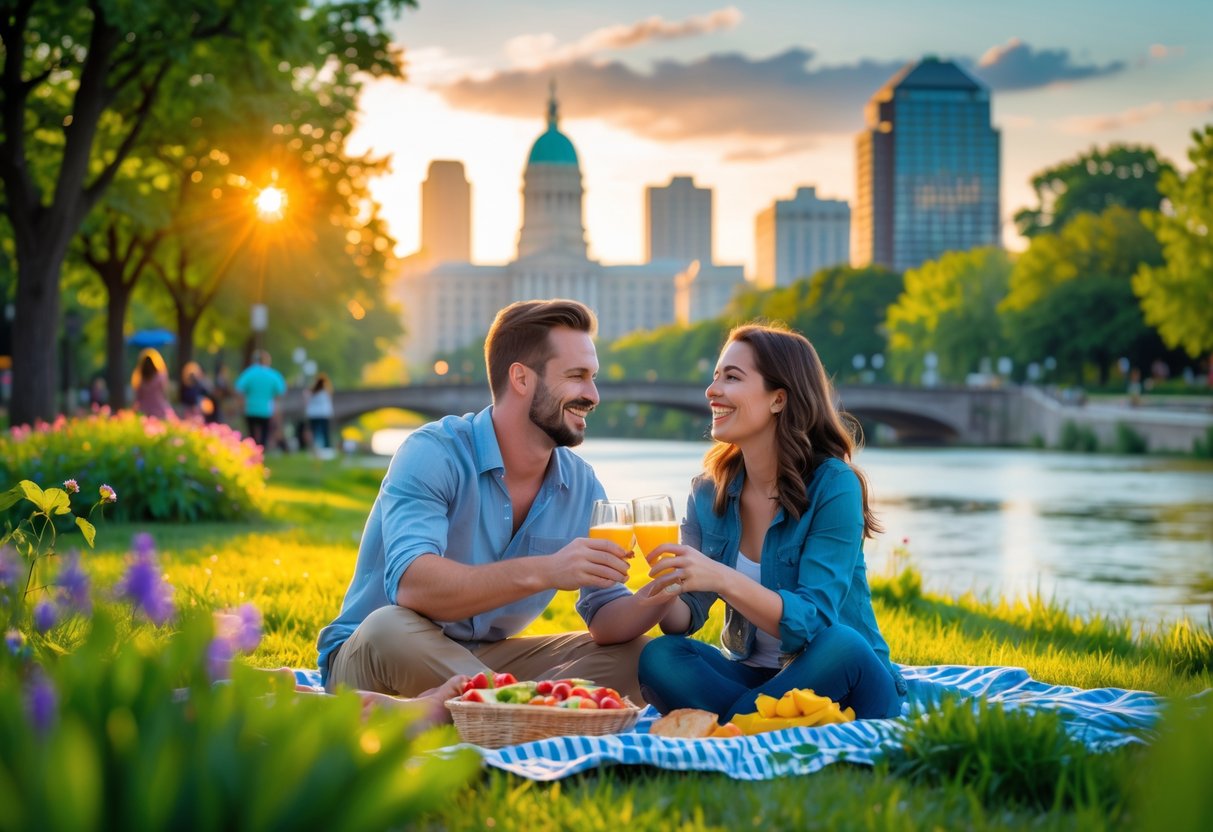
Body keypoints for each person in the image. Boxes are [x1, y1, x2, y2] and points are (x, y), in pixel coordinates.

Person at [316, 299, 656, 703]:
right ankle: (537, 707)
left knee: (640, 656)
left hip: (480, 660)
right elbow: (412, 586)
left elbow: (605, 619)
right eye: (577, 376)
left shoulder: (582, 485)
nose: (593, 394)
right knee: (386, 627)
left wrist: (666, 587)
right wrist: (548, 570)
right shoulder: (433, 453)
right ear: (521, 378)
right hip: (380, 655)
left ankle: (502, 706)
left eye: (593, 377)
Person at [631, 323, 907, 721]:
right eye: (714, 377)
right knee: (662, 655)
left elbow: (813, 622)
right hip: (758, 678)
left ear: (778, 399)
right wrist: (663, 577)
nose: (712, 391)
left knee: (842, 644)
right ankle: (759, 720)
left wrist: (721, 577)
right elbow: (683, 619)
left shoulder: (834, 486)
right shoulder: (709, 492)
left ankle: (734, 723)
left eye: (732, 377)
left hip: (840, 677)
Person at [234, 350, 287, 448]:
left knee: (252, 434)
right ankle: (262, 450)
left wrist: (241, 403)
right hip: (266, 409)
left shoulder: (249, 373)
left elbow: (238, 389)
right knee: (264, 433)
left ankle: (253, 450)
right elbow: (280, 392)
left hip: (250, 408)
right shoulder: (273, 375)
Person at [132, 348, 172, 419]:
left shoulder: (139, 379)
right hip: (159, 409)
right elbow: (165, 393)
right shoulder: (160, 377)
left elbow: (138, 398)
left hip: (144, 411)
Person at [305, 373, 336, 457]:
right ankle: (327, 450)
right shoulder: (326, 391)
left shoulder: (311, 391)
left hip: (313, 414)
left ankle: (313, 449)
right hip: (323, 414)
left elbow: (306, 401)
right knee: (325, 432)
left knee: (314, 433)